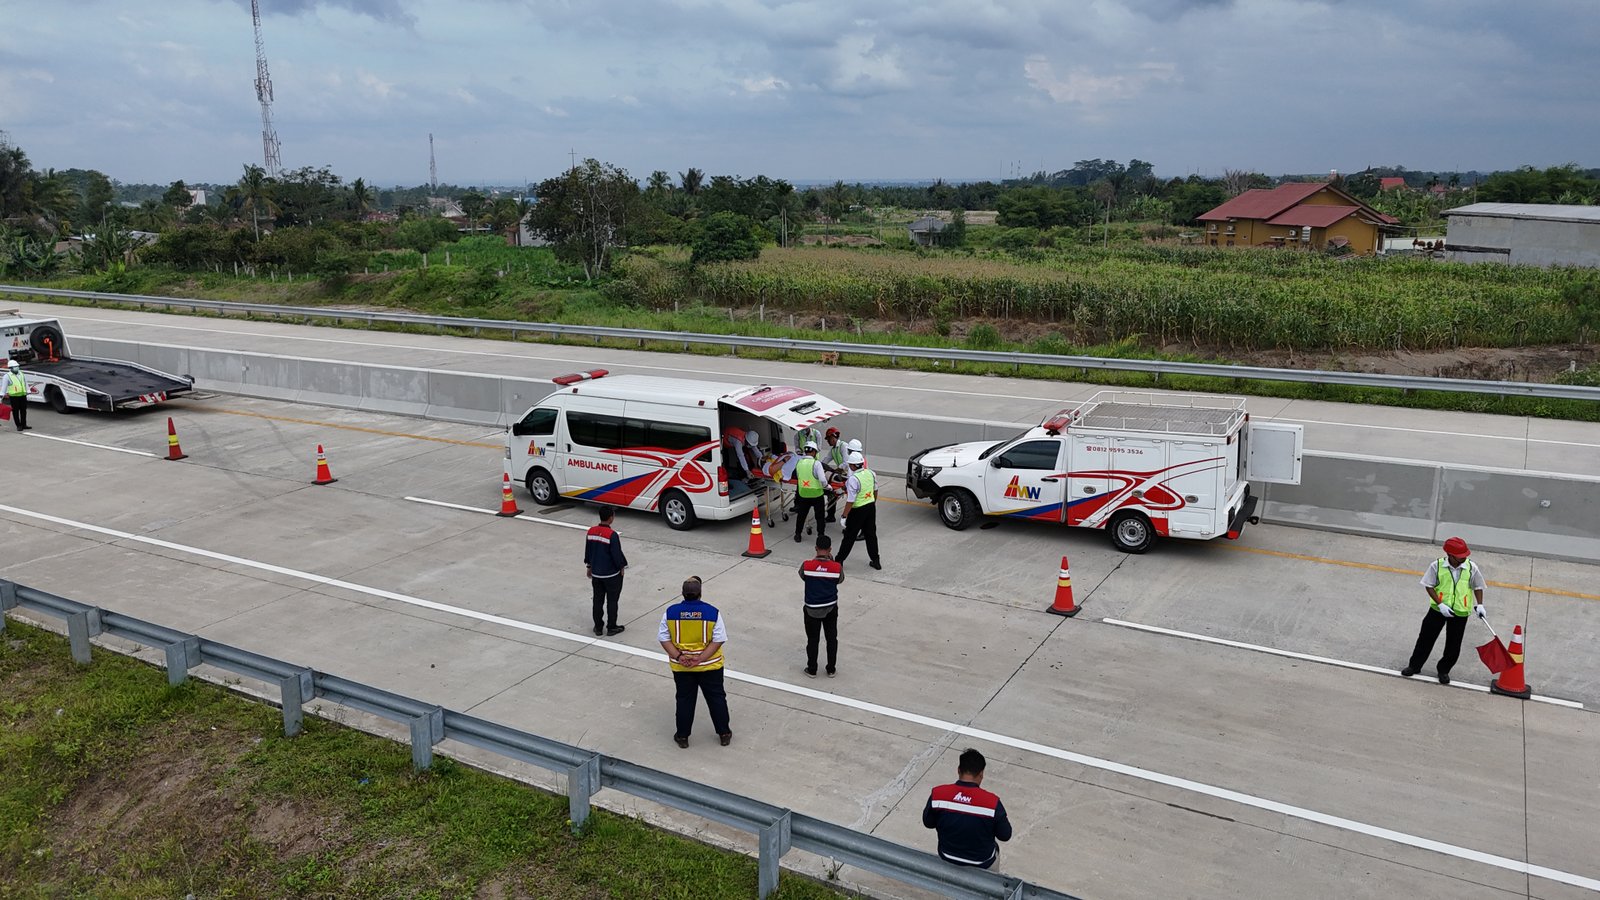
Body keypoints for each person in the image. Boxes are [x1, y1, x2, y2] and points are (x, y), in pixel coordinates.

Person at [658, 577, 732, 748]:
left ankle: (683, 737)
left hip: (682, 668)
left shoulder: (671, 612)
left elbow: (663, 637)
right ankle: (724, 733)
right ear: (700, 593)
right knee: (717, 699)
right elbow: (719, 639)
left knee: (684, 700)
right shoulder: (712, 612)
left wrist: (679, 656)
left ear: (683, 594)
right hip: (710, 666)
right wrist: (701, 658)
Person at [1402, 536, 1486, 685]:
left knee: (1454, 645)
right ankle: (1414, 666)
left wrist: (1480, 605)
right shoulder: (1437, 565)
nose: (1463, 559)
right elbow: (1429, 585)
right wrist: (1440, 604)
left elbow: (1478, 586)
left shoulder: (1472, 567)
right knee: (1425, 639)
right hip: (1437, 610)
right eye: (1460, 557)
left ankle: (1444, 670)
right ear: (1450, 555)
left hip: (1460, 612)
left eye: (1465, 556)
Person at [923, 748, 1012, 869]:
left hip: (947, 856)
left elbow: (928, 823)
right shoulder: (992, 802)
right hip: (982, 862)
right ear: (981, 774)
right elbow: (1005, 835)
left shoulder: (938, 794)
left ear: (958, 770)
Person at [799, 534, 843, 677]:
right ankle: (831, 669)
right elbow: (840, 580)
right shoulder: (836, 567)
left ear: (816, 548)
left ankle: (812, 669)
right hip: (830, 607)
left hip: (812, 608)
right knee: (831, 638)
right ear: (830, 549)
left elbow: (803, 576)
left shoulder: (807, 566)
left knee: (812, 639)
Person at [584, 506, 629, 636]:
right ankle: (611, 627)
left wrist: (589, 567)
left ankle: (598, 627)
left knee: (597, 600)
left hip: (596, 574)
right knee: (612, 601)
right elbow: (616, 554)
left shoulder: (591, 532)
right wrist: (622, 567)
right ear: (611, 518)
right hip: (611, 575)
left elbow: (588, 551)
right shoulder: (612, 535)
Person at [835, 451, 881, 570]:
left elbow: (850, 500)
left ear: (854, 466)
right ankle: (876, 560)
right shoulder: (871, 473)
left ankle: (839, 560)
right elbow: (875, 490)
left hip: (857, 510)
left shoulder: (853, 479)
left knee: (849, 536)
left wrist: (844, 516)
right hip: (870, 507)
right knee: (871, 535)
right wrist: (872, 502)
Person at [792, 442, 827, 542]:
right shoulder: (817, 464)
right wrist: (828, 487)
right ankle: (820, 536)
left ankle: (797, 534)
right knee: (819, 517)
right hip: (817, 495)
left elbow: (798, 476)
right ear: (814, 452)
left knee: (801, 515)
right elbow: (823, 480)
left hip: (803, 494)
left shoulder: (799, 463)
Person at [820, 427, 848, 522]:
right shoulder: (833, 450)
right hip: (840, 475)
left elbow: (846, 463)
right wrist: (818, 466)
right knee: (831, 493)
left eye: (828, 439)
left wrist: (836, 470)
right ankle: (831, 516)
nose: (827, 442)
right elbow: (826, 460)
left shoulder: (843, 446)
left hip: (848, 475)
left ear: (833, 437)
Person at [4, 359, 29, 432]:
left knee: (23, 410)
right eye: (15, 367)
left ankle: (24, 424)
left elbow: (25, 383)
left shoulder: (21, 373)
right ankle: (18, 425)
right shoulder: (7, 376)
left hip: (22, 395)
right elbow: (4, 387)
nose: (17, 367)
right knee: (15, 411)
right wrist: (1, 396)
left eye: (17, 366)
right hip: (14, 397)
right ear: (10, 368)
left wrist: (28, 390)